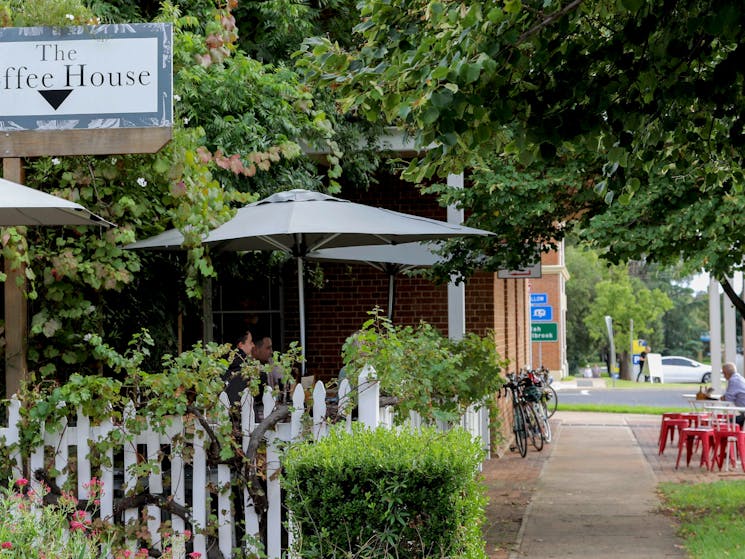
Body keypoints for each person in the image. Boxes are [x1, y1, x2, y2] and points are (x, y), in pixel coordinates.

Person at [223, 331, 255, 406]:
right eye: (250, 342)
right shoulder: (248, 369)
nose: (253, 345)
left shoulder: (220, 367)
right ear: (240, 345)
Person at [720, 361, 745, 427]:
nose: (723, 376)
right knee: (731, 420)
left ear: (726, 373)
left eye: (723, 373)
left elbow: (728, 399)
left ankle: (740, 436)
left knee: (726, 423)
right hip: (743, 412)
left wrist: (723, 397)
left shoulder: (733, 380)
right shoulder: (740, 378)